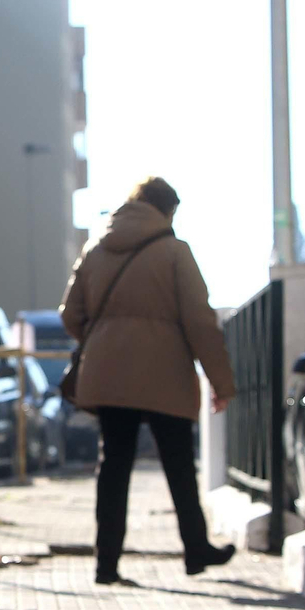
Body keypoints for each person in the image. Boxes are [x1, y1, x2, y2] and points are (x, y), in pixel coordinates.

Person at [61, 177, 238, 585]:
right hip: (165, 374)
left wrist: (107, 337)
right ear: (168, 211)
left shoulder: (95, 249)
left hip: (107, 373)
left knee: (114, 466)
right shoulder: (175, 253)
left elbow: (71, 315)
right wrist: (221, 383)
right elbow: (200, 322)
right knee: (178, 464)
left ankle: (106, 564)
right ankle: (195, 550)